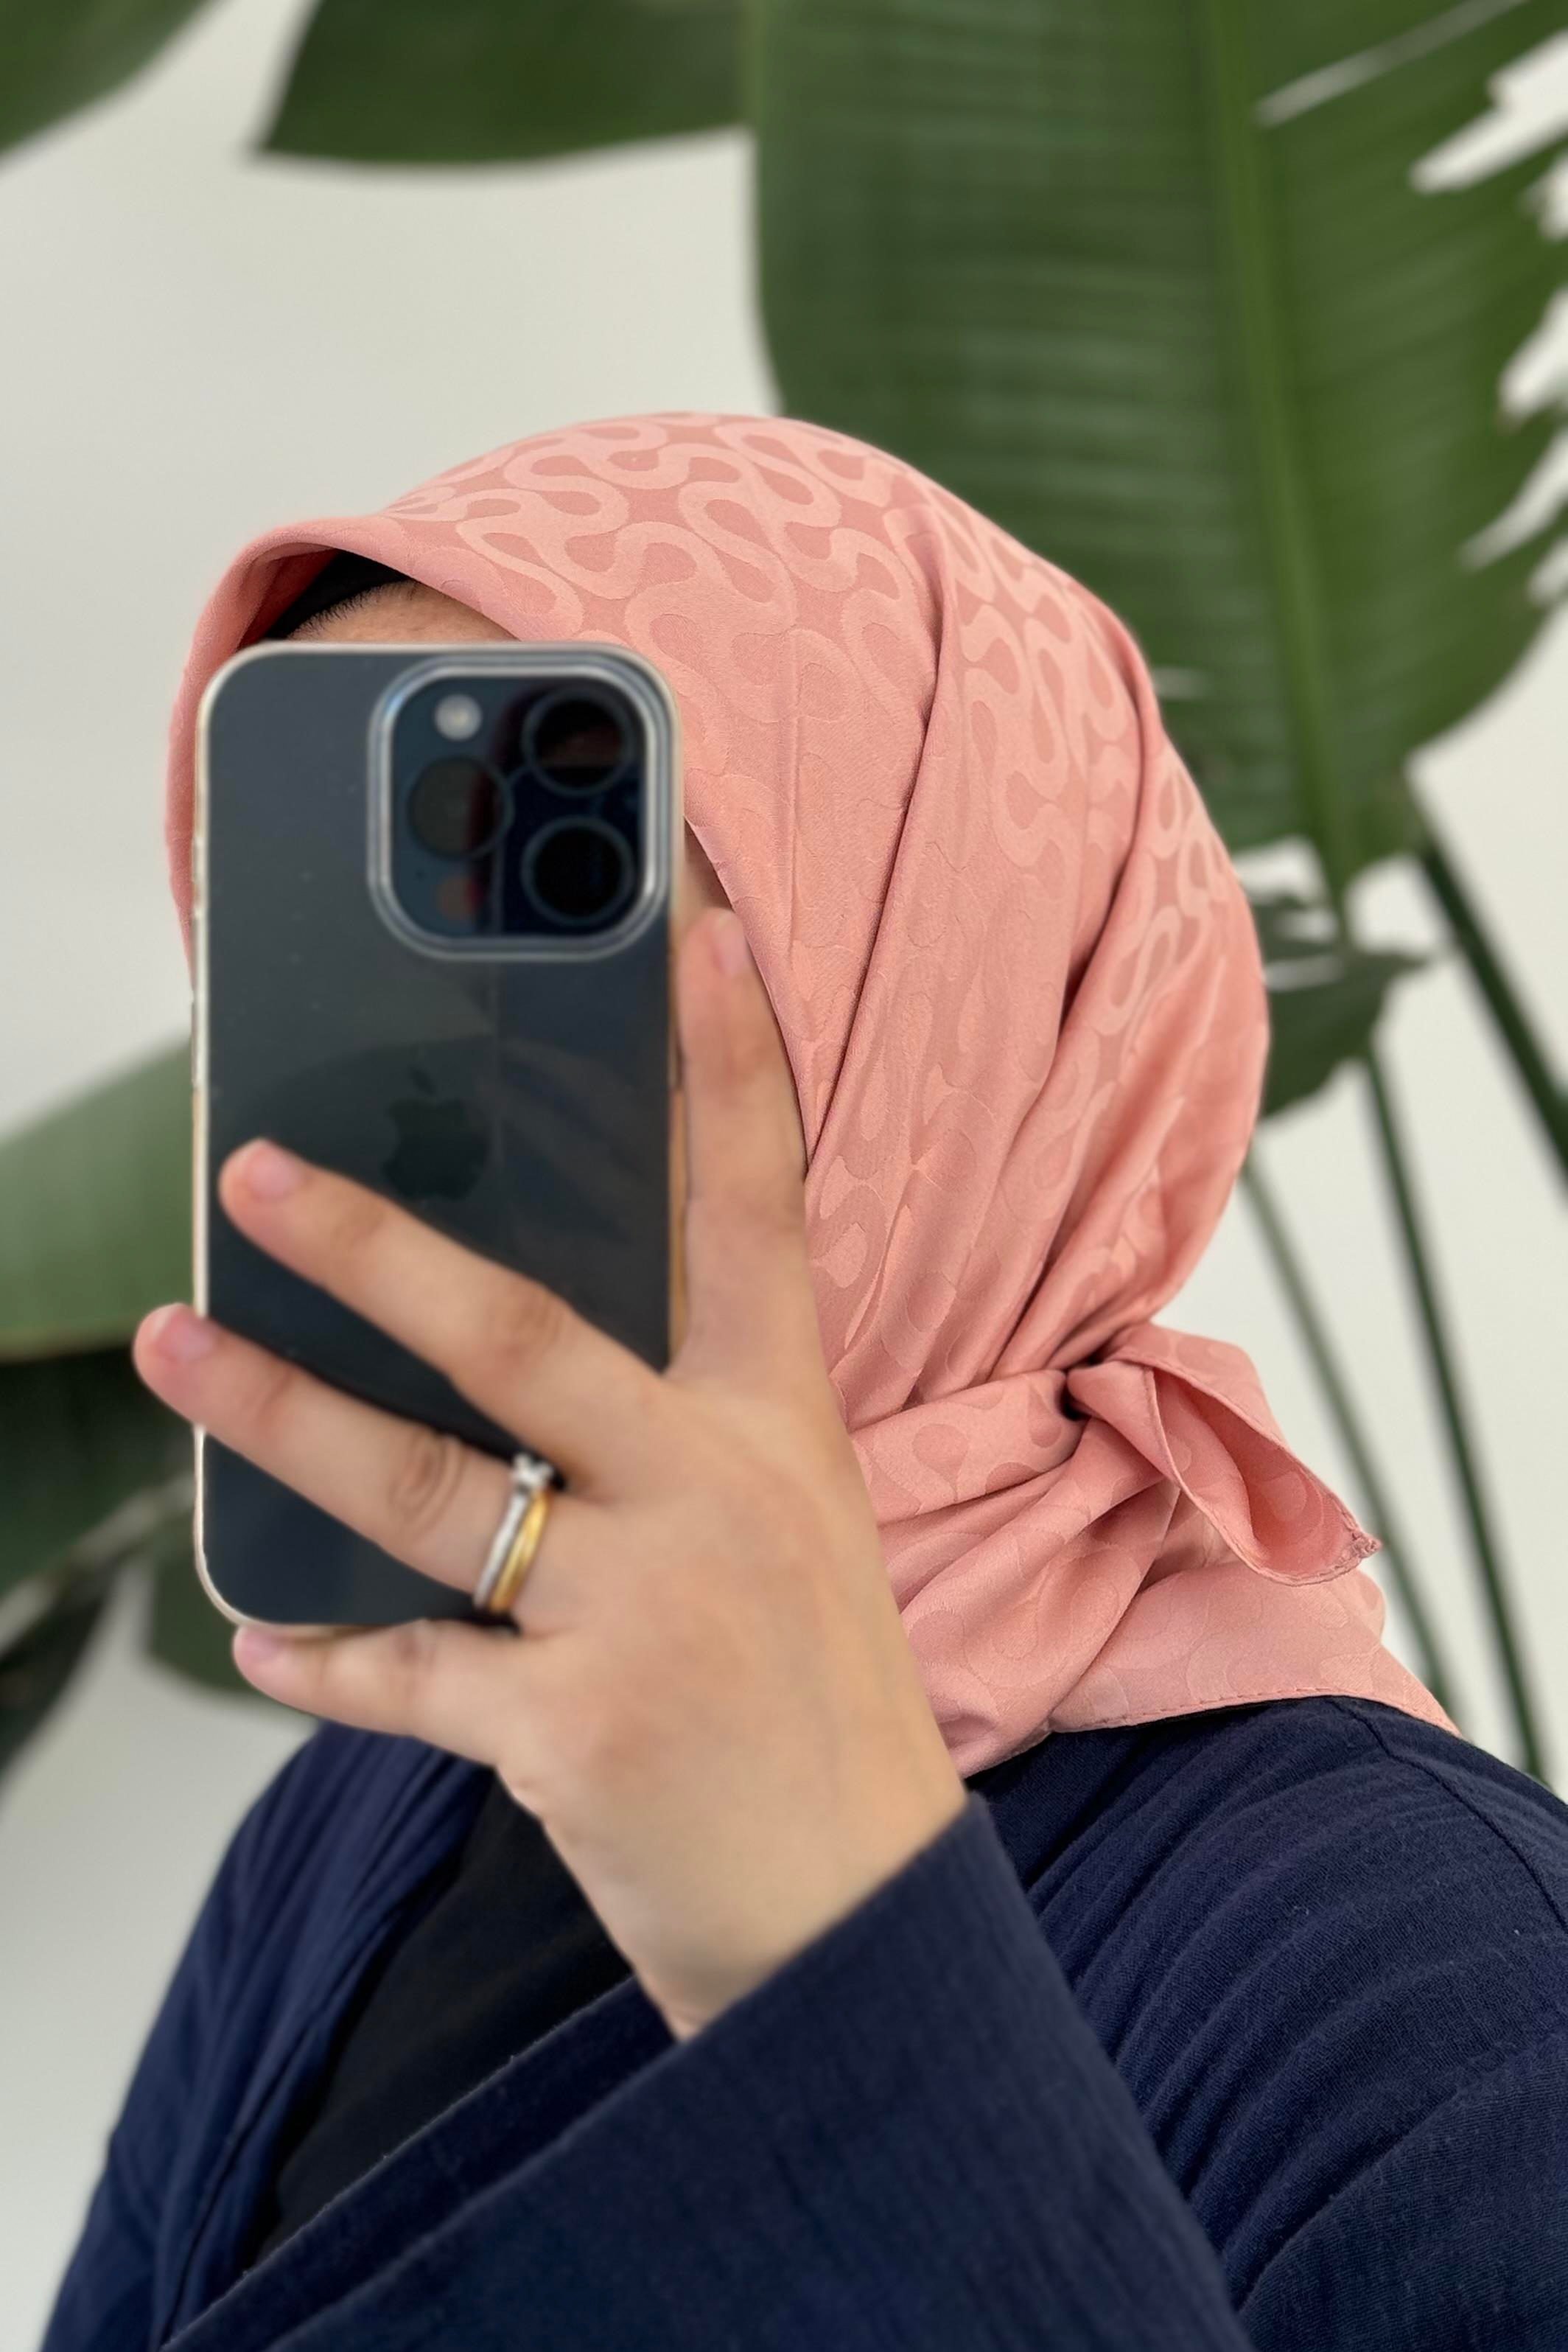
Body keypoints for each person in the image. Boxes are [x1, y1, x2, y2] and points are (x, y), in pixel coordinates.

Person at [43, 413, 1568, 2351]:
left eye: (548, 924)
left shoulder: (1449, 2006)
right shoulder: (368, 1819)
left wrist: (837, 1968)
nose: (400, 1100)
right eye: (310, 957)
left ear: (938, 1026)